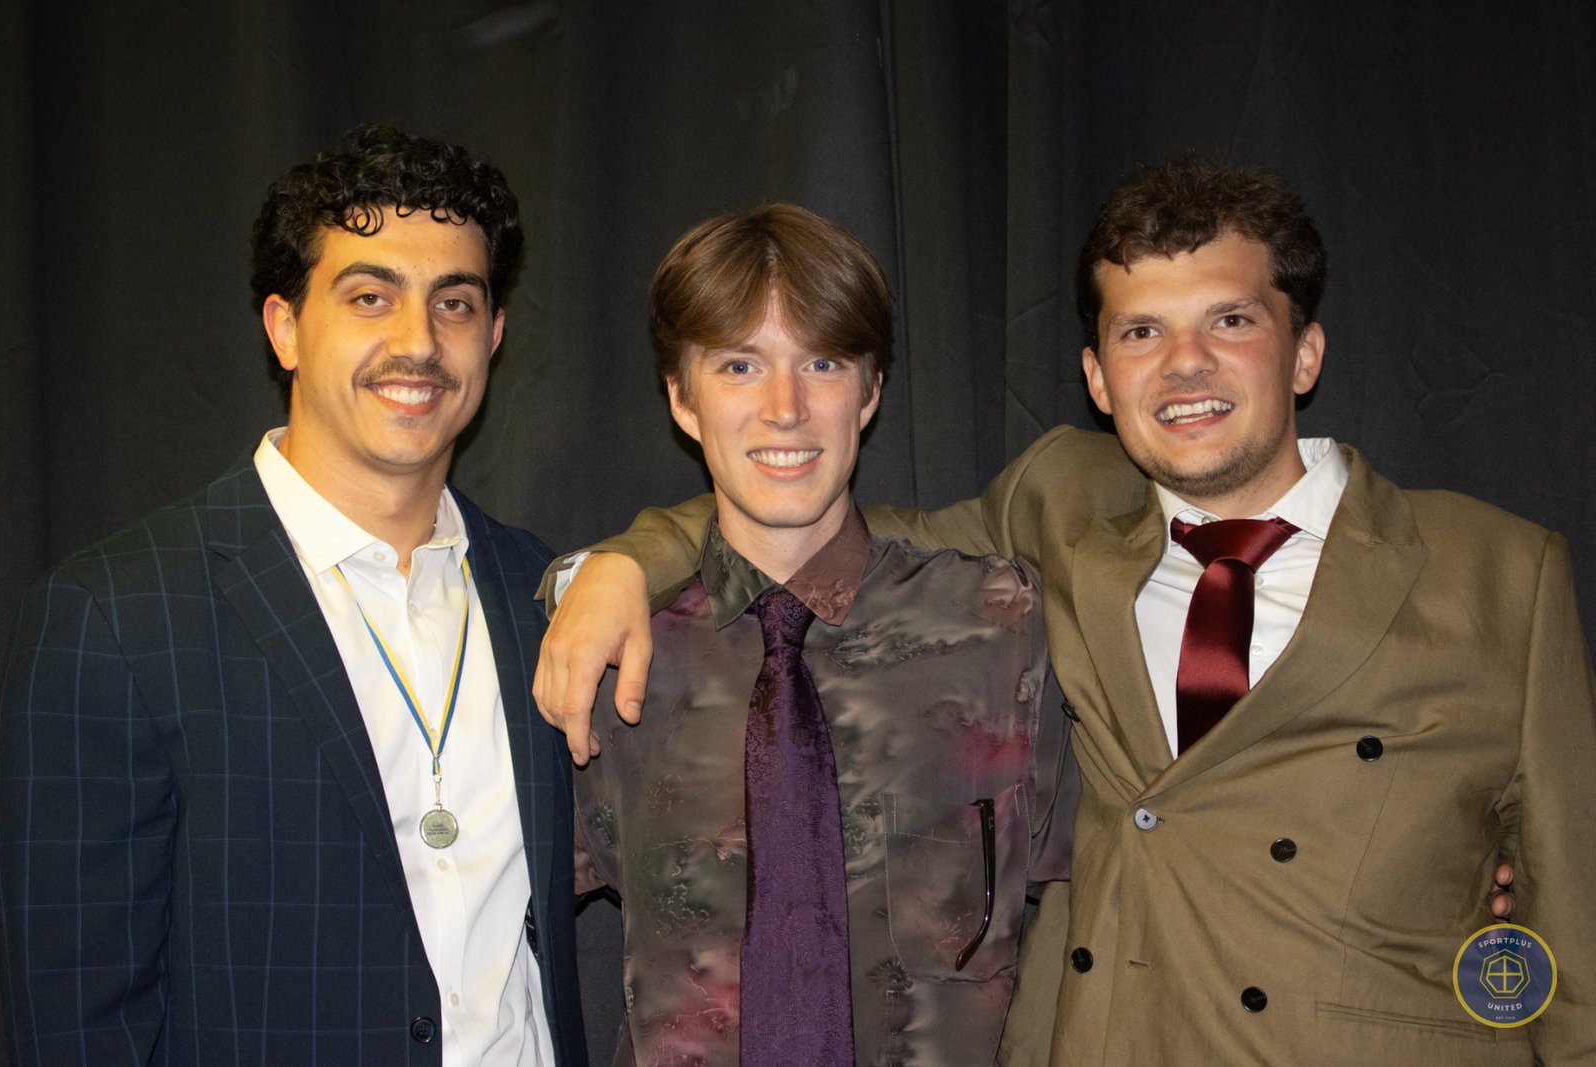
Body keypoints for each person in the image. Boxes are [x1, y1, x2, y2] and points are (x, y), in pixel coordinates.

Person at [535, 159, 1591, 1065]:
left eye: (1229, 320)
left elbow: (1572, 930)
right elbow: (796, 525)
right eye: (1142, 331)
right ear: (1096, 374)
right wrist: (619, 562)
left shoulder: (1496, 573)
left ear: (1305, 349)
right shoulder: (1051, 530)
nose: (1184, 364)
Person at [0, 125, 585, 1066]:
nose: (418, 342)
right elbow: (75, 1016)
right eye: (369, 297)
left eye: (455, 302)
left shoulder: (541, 592)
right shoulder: (114, 616)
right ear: (284, 328)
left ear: (494, 335)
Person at [555, 203, 1075, 1066]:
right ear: (681, 397)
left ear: (870, 391)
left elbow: (1087, 903)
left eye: (823, 362)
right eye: (739, 365)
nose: (785, 408)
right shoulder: (611, 657)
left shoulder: (1001, 629)